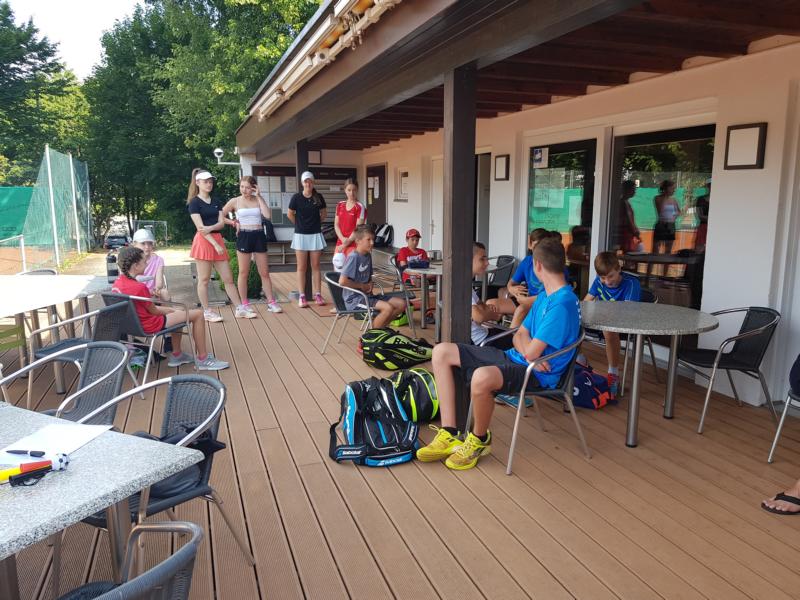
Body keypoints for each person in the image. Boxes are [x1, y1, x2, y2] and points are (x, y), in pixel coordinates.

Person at [417, 238, 580, 470]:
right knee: (441, 352)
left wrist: (529, 352)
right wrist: (529, 352)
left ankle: (479, 440)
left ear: (537, 265)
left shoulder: (562, 303)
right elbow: (518, 335)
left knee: (481, 377)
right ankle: (450, 432)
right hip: (523, 360)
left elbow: (529, 347)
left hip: (539, 374)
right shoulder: (546, 295)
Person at [112, 246, 229, 371]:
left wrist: (175, 312)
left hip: (130, 326)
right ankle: (203, 359)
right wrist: (171, 310)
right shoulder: (139, 287)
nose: (147, 264)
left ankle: (177, 355)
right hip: (148, 325)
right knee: (198, 314)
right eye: (144, 262)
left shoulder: (117, 283)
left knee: (180, 315)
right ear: (135, 266)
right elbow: (155, 311)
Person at [187, 168, 248, 322]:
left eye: (210, 181)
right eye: (206, 182)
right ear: (198, 183)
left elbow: (221, 223)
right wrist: (214, 243)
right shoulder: (194, 203)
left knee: (228, 278)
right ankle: (207, 311)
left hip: (217, 239)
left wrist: (211, 228)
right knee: (204, 279)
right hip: (204, 242)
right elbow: (201, 228)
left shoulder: (216, 201)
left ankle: (240, 308)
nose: (209, 184)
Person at [221, 176, 283, 315]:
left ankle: (271, 302)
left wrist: (259, 196)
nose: (244, 190)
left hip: (259, 235)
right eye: (242, 186)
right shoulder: (235, 201)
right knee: (243, 272)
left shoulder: (257, 199)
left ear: (254, 188)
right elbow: (220, 215)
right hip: (244, 235)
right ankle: (244, 304)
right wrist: (233, 222)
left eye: (248, 187)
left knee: (264, 272)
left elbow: (267, 215)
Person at [583, 251, 641, 397]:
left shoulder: (631, 283)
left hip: (627, 322)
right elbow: (586, 302)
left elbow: (627, 312)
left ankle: (613, 373)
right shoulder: (598, 282)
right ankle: (579, 362)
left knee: (608, 330)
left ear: (619, 269)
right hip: (603, 321)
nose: (607, 281)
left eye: (611, 276)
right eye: (603, 277)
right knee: (572, 321)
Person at [339, 225, 406, 329]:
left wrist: (370, 283)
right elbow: (342, 281)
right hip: (355, 300)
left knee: (401, 304)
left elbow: (368, 277)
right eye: (368, 239)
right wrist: (362, 286)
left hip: (368, 296)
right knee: (387, 308)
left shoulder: (367, 255)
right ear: (358, 241)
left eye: (373, 239)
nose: (372, 243)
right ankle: (372, 334)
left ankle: (381, 328)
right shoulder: (354, 257)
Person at [486, 228, 552, 328]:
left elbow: (552, 294)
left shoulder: (552, 264)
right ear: (530, 245)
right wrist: (511, 289)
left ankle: (509, 336)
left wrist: (526, 300)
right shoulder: (527, 261)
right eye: (536, 246)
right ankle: (490, 334)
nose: (539, 250)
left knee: (521, 310)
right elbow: (511, 283)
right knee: (490, 304)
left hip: (543, 303)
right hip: (524, 299)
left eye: (542, 246)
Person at [288, 171, 327, 308]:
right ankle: (302, 296)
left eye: (310, 181)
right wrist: (299, 225)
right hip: (300, 235)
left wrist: (315, 224)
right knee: (301, 267)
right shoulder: (296, 197)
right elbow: (290, 214)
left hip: (315, 234)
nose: (308, 184)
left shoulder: (318, 197)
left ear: (313, 182)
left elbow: (324, 214)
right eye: (305, 181)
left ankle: (318, 294)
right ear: (302, 183)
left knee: (316, 265)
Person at [469, 242, 502, 346]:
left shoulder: (465, 282)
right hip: (481, 342)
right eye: (482, 259)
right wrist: (494, 316)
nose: (487, 263)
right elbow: (479, 317)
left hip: (482, 334)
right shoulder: (462, 286)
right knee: (516, 338)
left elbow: (480, 304)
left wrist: (485, 310)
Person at [332, 178, 366, 272]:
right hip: (340, 243)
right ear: (345, 190)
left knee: (350, 273)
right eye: (349, 190)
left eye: (354, 190)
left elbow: (358, 229)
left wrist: (345, 243)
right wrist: (342, 240)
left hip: (354, 244)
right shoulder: (340, 205)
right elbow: (336, 225)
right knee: (338, 273)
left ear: (357, 190)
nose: (351, 193)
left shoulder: (360, 207)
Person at [131, 229, 168, 302]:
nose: (147, 247)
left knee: (164, 293)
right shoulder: (130, 260)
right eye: (143, 243)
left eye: (150, 243)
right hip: (136, 293)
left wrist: (155, 289)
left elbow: (159, 283)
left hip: (152, 293)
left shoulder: (158, 260)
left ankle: (170, 308)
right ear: (134, 244)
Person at [653, 180, 681, 254]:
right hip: (661, 225)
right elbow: (661, 209)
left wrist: (674, 217)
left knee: (668, 250)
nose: (674, 190)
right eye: (672, 188)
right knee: (655, 250)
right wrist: (665, 195)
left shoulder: (674, 200)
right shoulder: (657, 198)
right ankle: (653, 261)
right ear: (666, 188)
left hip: (671, 226)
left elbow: (679, 211)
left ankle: (666, 262)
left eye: (674, 188)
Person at [618, 180, 642, 253]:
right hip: (626, 233)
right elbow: (629, 219)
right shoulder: (624, 203)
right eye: (633, 189)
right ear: (628, 190)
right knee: (628, 253)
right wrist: (635, 231)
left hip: (625, 232)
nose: (634, 192)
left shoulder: (624, 202)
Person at [694, 178, 710, 252]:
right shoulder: (700, 199)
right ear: (708, 186)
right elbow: (699, 216)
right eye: (710, 185)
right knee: (699, 250)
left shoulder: (720, 200)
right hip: (703, 227)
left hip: (716, 228)